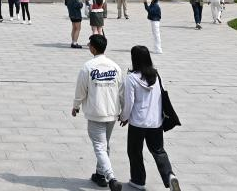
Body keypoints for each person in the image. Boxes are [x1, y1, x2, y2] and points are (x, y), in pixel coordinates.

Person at [119, 45, 180, 191]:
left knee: (135, 152)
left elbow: (129, 102)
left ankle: (138, 181)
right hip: (155, 122)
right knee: (158, 151)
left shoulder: (131, 78)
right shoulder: (156, 76)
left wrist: (124, 117)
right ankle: (170, 175)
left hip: (138, 123)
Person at [72, 34, 124, 191]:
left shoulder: (88, 67)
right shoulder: (115, 67)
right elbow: (122, 92)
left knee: (100, 147)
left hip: (96, 113)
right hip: (112, 112)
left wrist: (76, 106)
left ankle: (111, 178)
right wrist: (124, 112)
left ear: (93, 48)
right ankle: (100, 175)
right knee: (105, 144)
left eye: (89, 45)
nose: (89, 46)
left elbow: (81, 90)